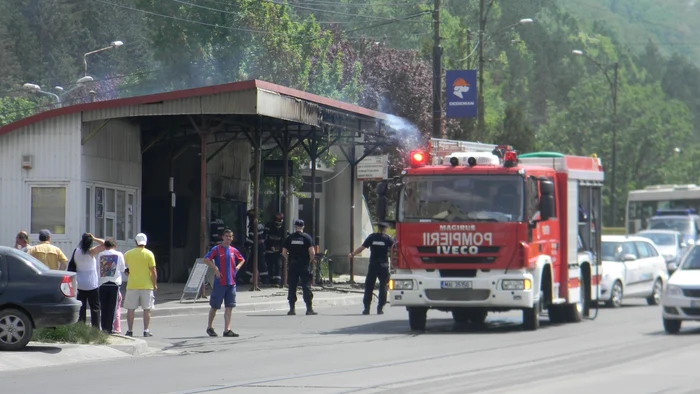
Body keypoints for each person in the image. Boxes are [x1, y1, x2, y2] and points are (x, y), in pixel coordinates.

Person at [202, 228, 245, 337]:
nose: (228, 238)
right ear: (223, 237)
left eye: (230, 236)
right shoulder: (217, 249)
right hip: (220, 282)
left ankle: (227, 329)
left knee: (229, 306)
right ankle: (210, 327)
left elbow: (242, 259)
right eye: (226, 236)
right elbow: (206, 259)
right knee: (215, 306)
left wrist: (238, 267)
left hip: (231, 283)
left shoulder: (233, 250)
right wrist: (215, 269)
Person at [349, 222, 395, 315]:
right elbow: (395, 249)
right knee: (383, 287)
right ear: (385, 229)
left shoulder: (372, 237)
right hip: (384, 266)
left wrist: (352, 254)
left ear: (378, 228)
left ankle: (366, 309)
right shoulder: (387, 238)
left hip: (373, 265)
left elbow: (362, 248)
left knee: (369, 286)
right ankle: (380, 308)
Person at [124, 233, 157, 337]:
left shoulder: (128, 253)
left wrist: (128, 272)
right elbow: (153, 271)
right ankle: (146, 330)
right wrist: (154, 284)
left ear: (135, 241)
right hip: (146, 285)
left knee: (130, 309)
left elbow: (124, 268)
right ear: (145, 242)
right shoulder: (149, 254)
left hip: (132, 284)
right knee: (147, 309)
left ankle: (130, 330)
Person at [282, 219, 317, 316]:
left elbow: (284, 253)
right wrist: (309, 261)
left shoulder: (289, 238)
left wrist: (289, 260)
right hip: (304, 265)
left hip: (293, 265)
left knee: (292, 286)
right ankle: (309, 309)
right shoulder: (307, 237)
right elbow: (312, 253)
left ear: (295, 226)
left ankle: (292, 309)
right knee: (306, 285)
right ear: (303, 226)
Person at [73, 233, 106, 328]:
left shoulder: (76, 251)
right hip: (91, 283)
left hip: (80, 283)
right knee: (95, 307)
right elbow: (105, 244)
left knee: (81, 307)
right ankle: (95, 328)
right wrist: (94, 238)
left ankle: (81, 327)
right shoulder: (91, 252)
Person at [96, 238, 126, 333]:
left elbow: (97, 268)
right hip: (114, 284)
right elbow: (122, 269)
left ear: (105, 246)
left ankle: (103, 327)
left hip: (102, 284)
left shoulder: (100, 255)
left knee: (103, 306)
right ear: (114, 246)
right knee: (112, 307)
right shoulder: (119, 254)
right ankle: (109, 328)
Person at [265, 213, 285, 287]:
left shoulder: (284, 227)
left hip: (279, 251)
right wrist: (270, 247)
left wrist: (279, 248)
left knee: (278, 265)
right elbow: (265, 237)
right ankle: (271, 280)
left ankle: (277, 281)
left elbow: (284, 240)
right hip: (269, 250)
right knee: (270, 265)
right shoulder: (269, 226)